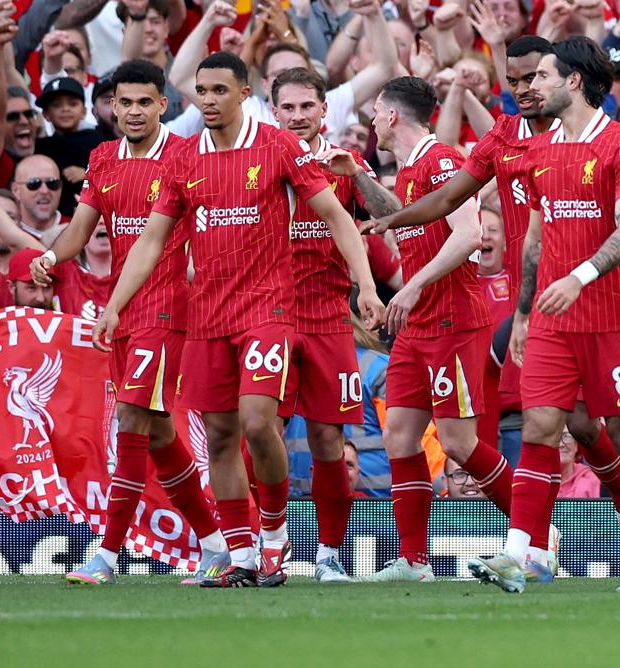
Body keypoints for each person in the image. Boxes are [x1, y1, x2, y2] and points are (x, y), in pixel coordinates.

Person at [93, 52, 376, 587]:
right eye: (201, 91)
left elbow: (337, 215)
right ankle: (242, 555)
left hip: (268, 310)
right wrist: (114, 306)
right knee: (221, 439)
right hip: (207, 317)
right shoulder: (183, 160)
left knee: (255, 421)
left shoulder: (276, 146)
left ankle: (274, 535)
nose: (208, 100)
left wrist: (364, 285)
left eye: (219, 90)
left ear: (244, 94)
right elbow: (152, 239)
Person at [465, 38, 620, 595]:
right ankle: (517, 554)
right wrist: (525, 313)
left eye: (545, 76)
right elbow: (534, 236)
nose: (533, 86)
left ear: (573, 81)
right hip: (553, 320)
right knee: (539, 428)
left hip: (611, 315)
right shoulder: (540, 150)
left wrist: (577, 278)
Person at [35, 61, 227, 586]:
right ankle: (218, 545)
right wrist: (52, 260)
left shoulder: (186, 157)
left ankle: (107, 554)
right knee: (161, 437)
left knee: (131, 423)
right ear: (112, 107)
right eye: (126, 102)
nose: (135, 111)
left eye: (146, 101)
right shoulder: (103, 158)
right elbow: (79, 231)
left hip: (167, 310)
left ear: (163, 105)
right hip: (123, 313)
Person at [354, 74, 515, 582]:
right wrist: (357, 176)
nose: (373, 120)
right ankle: (414, 561)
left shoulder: (442, 159)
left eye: (377, 111)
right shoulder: (408, 170)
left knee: (459, 443)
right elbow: (402, 219)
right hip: (419, 327)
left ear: (394, 115)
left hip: (454, 323)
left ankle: (538, 534)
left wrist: (411, 285)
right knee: (400, 436)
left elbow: (469, 233)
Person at [265, 65, 390, 582]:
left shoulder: (345, 162)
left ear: (324, 110)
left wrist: (357, 174)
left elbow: (392, 213)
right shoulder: (251, 159)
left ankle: (329, 554)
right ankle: (262, 544)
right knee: (259, 431)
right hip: (267, 316)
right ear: (273, 112)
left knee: (328, 443)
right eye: (288, 108)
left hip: (327, 319)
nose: (297, 117)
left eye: (306, 107)